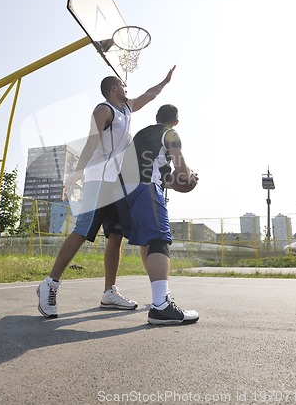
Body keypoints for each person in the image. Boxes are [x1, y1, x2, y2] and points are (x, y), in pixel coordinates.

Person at [37, 68, 175, 318]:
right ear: (114, 88)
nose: (126, 88)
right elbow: (92, 140)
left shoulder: (127, 109)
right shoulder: (104, 110)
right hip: (98, 180)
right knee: (83, 229)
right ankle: (50, 284)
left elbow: (149, 95)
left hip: (117, 183)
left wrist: (164, 82)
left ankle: (109, 292)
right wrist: (78, 172)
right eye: (123, 85)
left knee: (116, 234)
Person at [117, 104, 199, 325]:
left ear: (156, 117)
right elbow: (181, 170)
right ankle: (161, 305)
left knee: (147, 241)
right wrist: (190, 176)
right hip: (145, 187)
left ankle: (159, 298)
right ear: (176, 121)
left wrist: (175, 181)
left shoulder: (144, 134)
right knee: (159, 238)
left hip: (124, 191)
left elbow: (165, 178)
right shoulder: (171, 133)